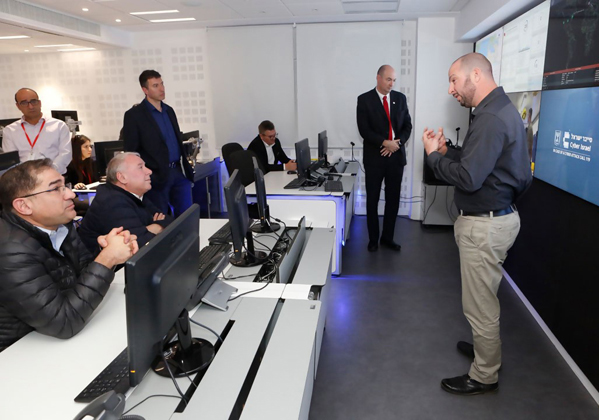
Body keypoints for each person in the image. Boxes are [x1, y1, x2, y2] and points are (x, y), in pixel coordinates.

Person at [422, 52, 532, 395]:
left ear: (476, 76)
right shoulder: (500, 110)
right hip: (498, 218)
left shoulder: (490, 119)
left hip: (485, 227)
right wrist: (448, 153)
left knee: (480, 306)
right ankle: (486, 351)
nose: (451, 89)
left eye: (454, 80)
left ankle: (485, 374)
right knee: (483, 298)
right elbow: (487, 167)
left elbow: (469, 178)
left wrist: (434, 157)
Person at [0, 159, 138, 352]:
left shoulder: (61, 224)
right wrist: (107, 259)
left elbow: (82, 275)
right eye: (56, 189)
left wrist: (105, 252)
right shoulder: (10, 251)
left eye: (65, 186)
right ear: (24, 206)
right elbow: (64, 323)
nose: (71, 194)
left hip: (53, 339)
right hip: (19, 352)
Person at [121, 70, 194, 217]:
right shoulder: (134, 115)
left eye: (162, 84)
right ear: (145, 90)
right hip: (156, 176)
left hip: (178, 171)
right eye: (155, 86)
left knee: (187, 215)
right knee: (160, 218)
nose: (161, 89)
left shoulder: (169, 111)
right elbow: (131, 151)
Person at [357, 65, 412, 252]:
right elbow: (364, 130)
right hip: (375, 158)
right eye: (388, 79)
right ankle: (373, 239)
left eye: (394, 80)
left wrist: (396, 143)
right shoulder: (364, 100)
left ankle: (388, 237)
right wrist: (384, 143)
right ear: (378, 78)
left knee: (393, 199)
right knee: (372, 199)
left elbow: (407, 126)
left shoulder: (400, 98)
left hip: (396, 157)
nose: (391, 84)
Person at [78, 152, 173, 255]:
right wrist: (158, 226)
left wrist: (152, 228)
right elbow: (139, 245)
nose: (149, 171)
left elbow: (170, 221)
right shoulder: (112, 202)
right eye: (140, 167)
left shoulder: (136, 195)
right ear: (122, 177)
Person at [2, 88, 72, 174]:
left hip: (55, 176)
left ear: (40, 103)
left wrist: (49, 173)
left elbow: (65, 154)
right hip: (24, 179)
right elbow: (12, 161)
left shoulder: (59, 126)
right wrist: (28, 176)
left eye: (33, 101)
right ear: (18, 106)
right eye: (24, 103)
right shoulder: (10, 131)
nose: (30, 106)